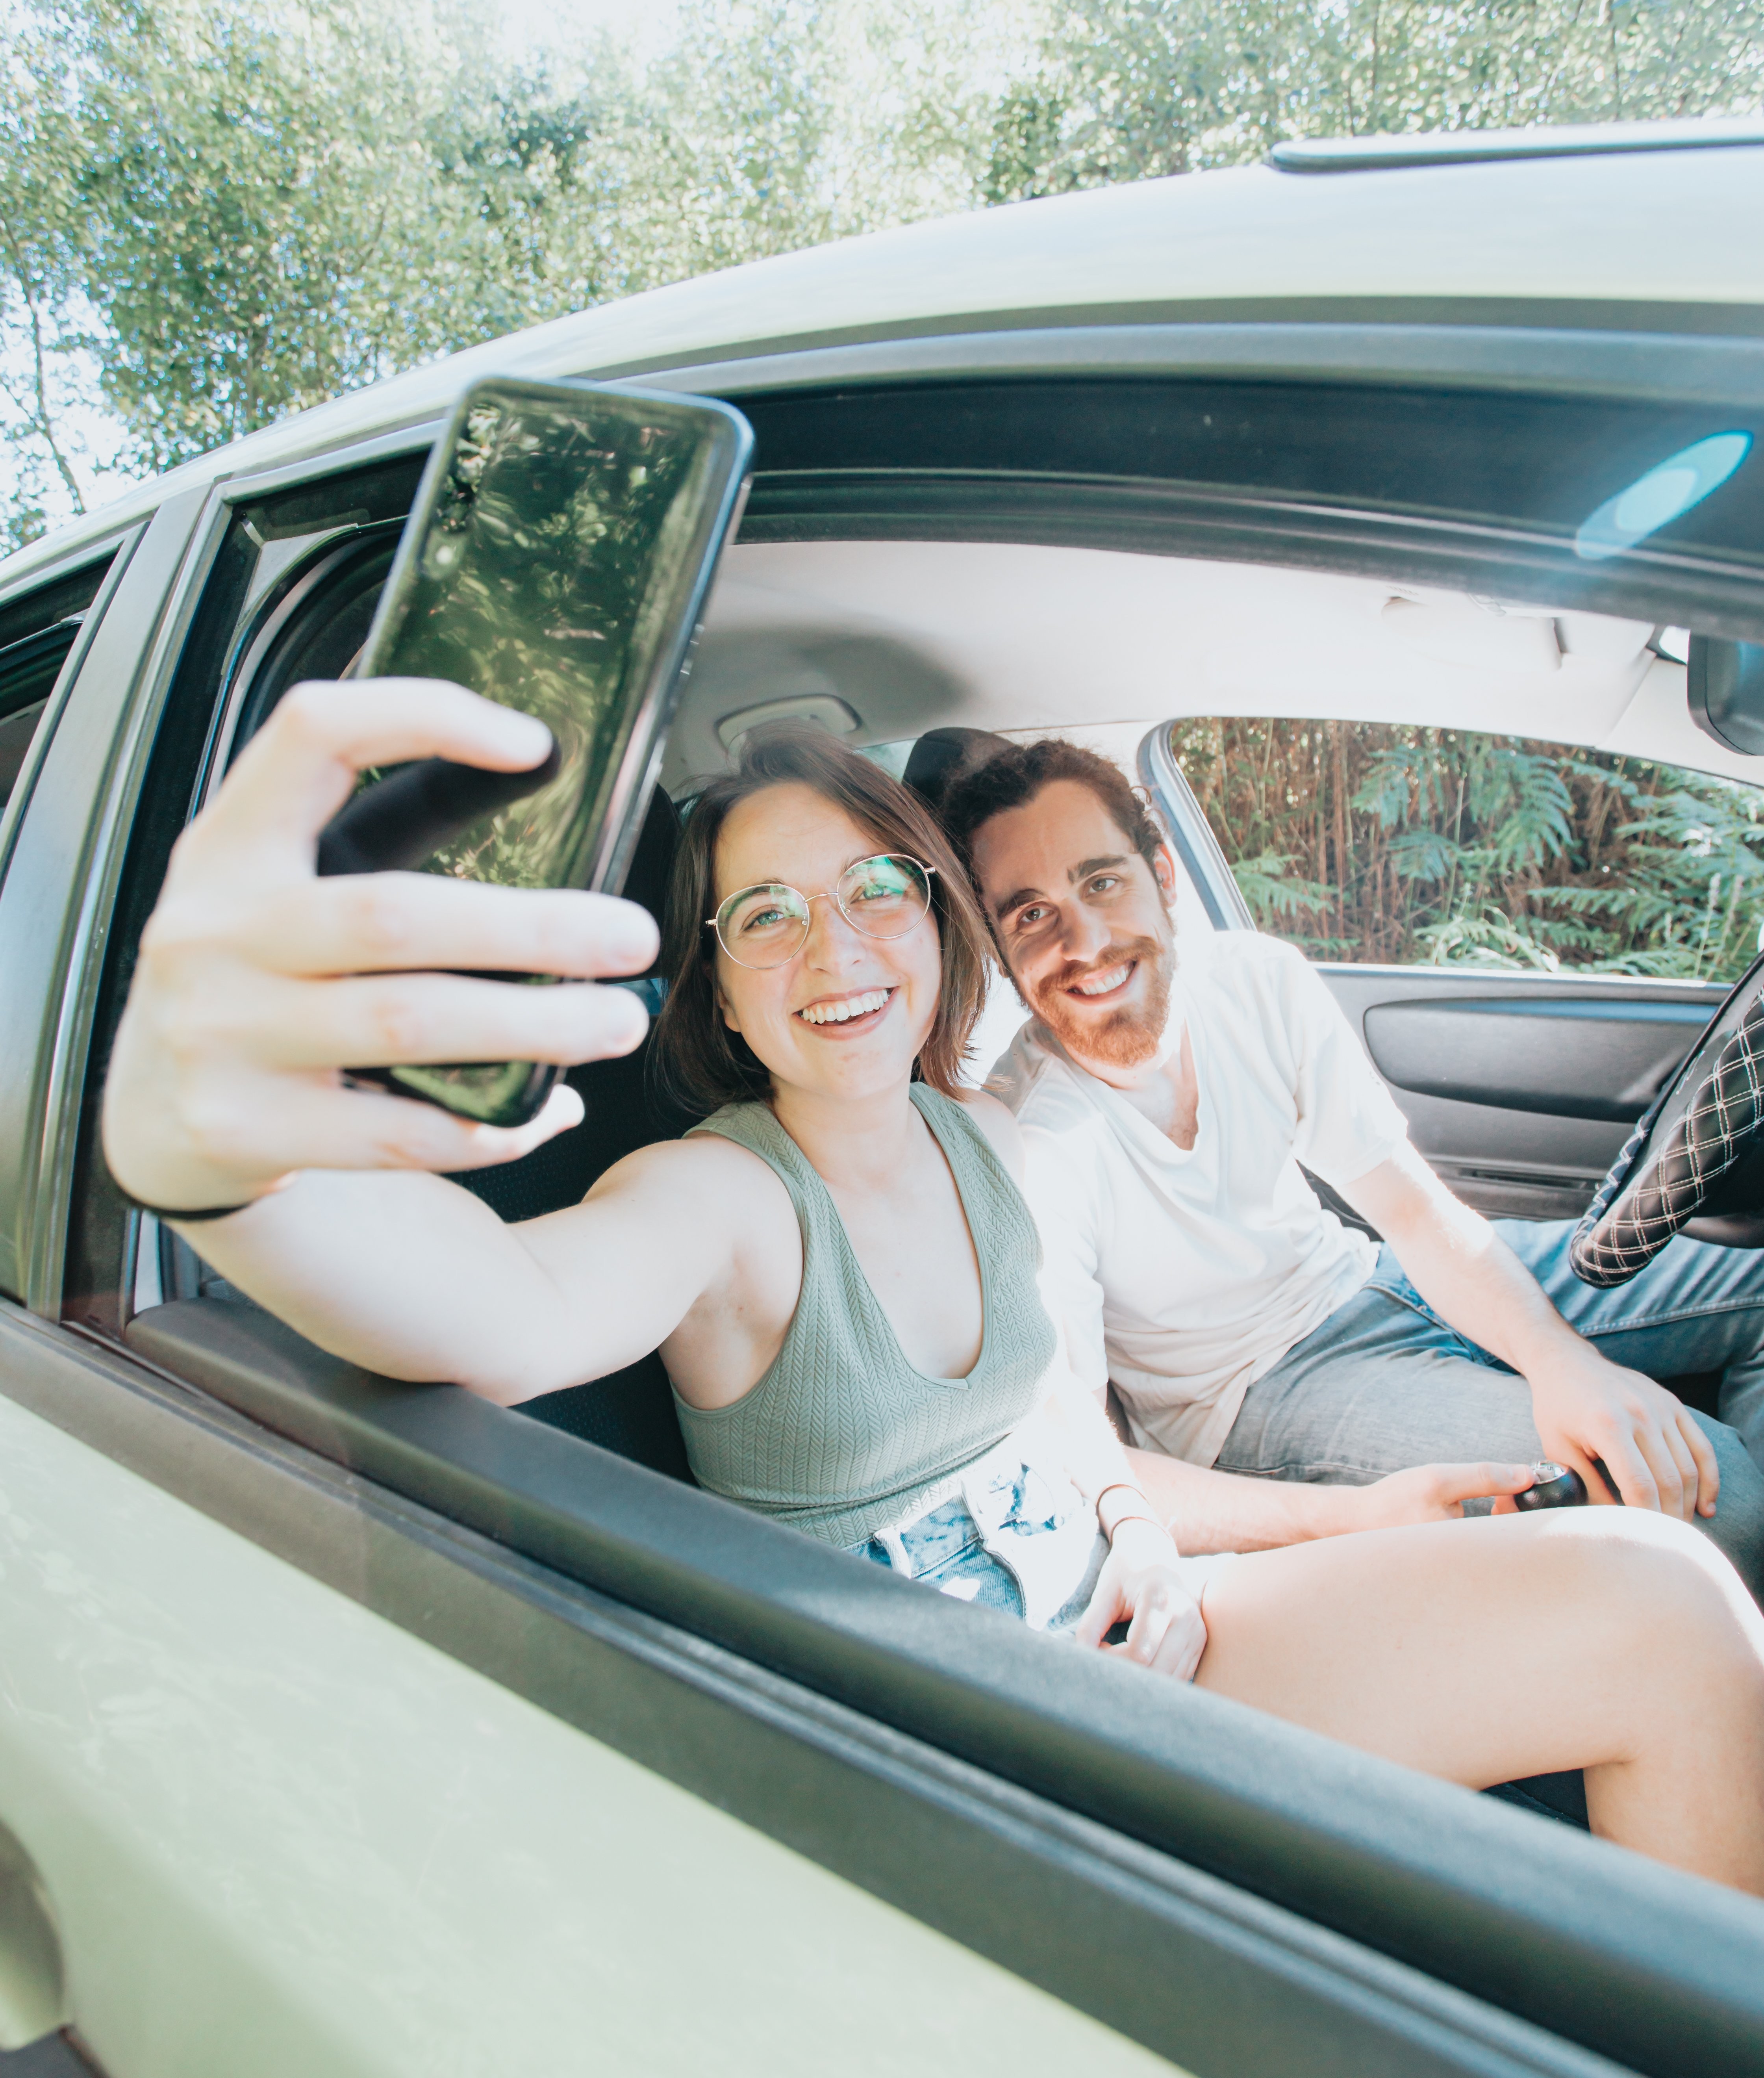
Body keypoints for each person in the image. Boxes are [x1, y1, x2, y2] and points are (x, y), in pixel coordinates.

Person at [102, 682, 1764, 1891]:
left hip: (1131, 1643)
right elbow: (494, 1306)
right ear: (724, 999)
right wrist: (214, 1153)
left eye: (875, 890)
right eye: (767, 920)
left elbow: (1072, 1448)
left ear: (930, 916)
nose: (837, 952)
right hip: (958, 1752)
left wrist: (1351, 1513)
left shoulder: (977, 1135)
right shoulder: (718, 1198)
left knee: (1664, 1603)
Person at [937, 736, 1764, 1593]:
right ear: (1000, 950)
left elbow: (1410, 1211)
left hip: (1372, 1276)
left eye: (1101, 881)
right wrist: (1350, 1519)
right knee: (1720, 1503)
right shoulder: (1034, 1142)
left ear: (1164, 875)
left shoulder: (1257, 981)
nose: (1086, 941)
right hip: (1257, 1397)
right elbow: (1079, 1460)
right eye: (1030, 915)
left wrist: (1563, 1366)